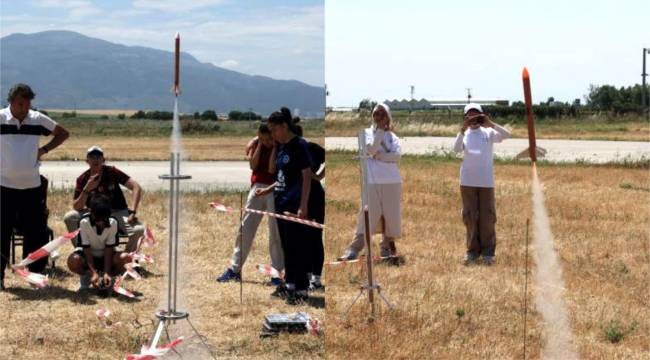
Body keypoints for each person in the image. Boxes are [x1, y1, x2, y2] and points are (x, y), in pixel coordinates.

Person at [0, 84, 69, 291]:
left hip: (31, 186)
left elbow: (63, 133)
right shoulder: (1, 118)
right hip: (4, 186)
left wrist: (45, 149)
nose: (24, 108)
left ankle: (34, 275)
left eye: (28, 103)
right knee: (1, 232)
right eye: (21, 103)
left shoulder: (38, 119)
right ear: (11, 101)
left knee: (36, 233)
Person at [256, 107, 314, 305]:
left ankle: (302, 289)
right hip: (280, 202)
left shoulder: (300, 145)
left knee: (297, 247)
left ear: (283, 126)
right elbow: (280, 176)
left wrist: (303, 206)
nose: (272, 134)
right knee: (286, 246)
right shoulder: (281, 147)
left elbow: (306, 177)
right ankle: (289, 285)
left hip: (294, 204)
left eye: (274, 130)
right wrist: (267, 190)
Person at [216, 124, 284, 285]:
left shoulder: (280, 146)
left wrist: (273, 147)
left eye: (268, 139)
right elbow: (253, 165)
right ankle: (234, 269)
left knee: (275, 234)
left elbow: (272, 168)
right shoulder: (257, 144)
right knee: (245, 229)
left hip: (274, 190)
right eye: (262, 139)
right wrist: (258, 143)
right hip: (257, 189)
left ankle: (277, 273)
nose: (266, 142)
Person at [338, 103, 402, 261]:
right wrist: (379, 134)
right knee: (367, 214)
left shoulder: (393, 137)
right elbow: (370, 149)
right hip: (372, 181)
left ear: (388, 117)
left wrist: (379, 157)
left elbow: (396, 156)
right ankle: (354, 248)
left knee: (390, 215)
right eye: (376, 114)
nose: (379, 117)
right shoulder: (366, 133)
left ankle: (386, 246)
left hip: (392, 180)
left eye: (382, 114)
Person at [453, 103, 511, 265]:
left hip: (486, 181)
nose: (473, 119)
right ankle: (472, 251)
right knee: (470, 216)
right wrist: (461, 130)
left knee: (487, 216)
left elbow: (508, 135)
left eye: (476, 115)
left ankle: (488, 252)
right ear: (465, 118)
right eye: (469, 116)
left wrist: (490, 123)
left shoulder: (488, 132)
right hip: (467, 181)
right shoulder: (464, 134)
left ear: (482, 115)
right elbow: (456, 150)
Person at [63, 146, 144, 253]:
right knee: (70, 217)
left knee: (138, 230)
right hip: (94, 213)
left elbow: (136, 187)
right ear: (87, 161)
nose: (95, 160)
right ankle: (82, 252)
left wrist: (132, 211)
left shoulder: (112, 172)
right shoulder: (83, 178)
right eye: (92, 157)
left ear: (103, 160)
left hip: (117, 211)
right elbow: (77, 206)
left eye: (98, 157)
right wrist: (87, 188)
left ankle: (125, 258)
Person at [67, 194, 128, 290]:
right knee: (73, 261)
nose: (101, 223)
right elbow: (86, 249)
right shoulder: (84, 222)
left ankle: (109, 278)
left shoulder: (113, 222)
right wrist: (93, 273)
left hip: (106, 255)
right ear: (90, 212)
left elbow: (109, 248)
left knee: (125, 258)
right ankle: (88, 277)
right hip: (89, 255)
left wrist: (107, 272)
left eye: (104, 219)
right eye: (97, 219)